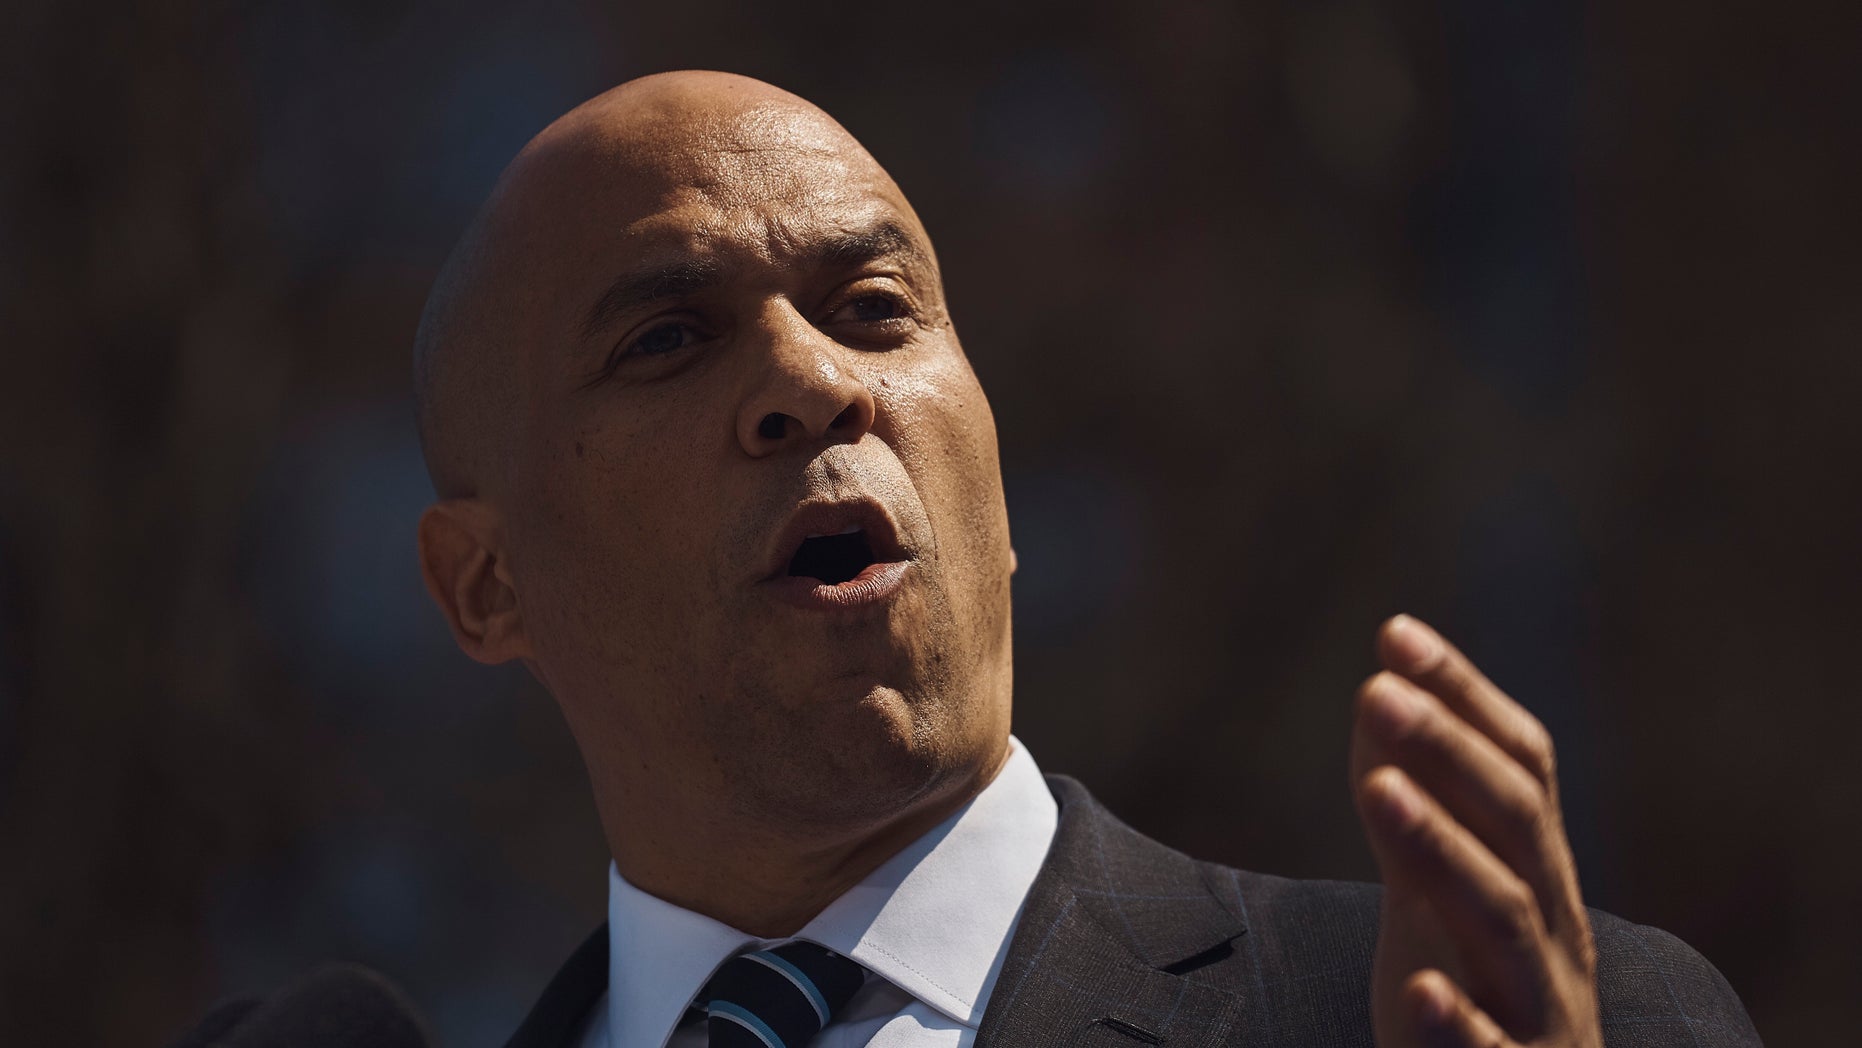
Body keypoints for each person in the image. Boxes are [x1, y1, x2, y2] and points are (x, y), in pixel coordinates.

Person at [218, 71, 1764, 1047]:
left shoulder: (1512, 1021)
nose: (816, 382)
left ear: (999, 489)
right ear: (483, 587)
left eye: (877, 309)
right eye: (668, 337)